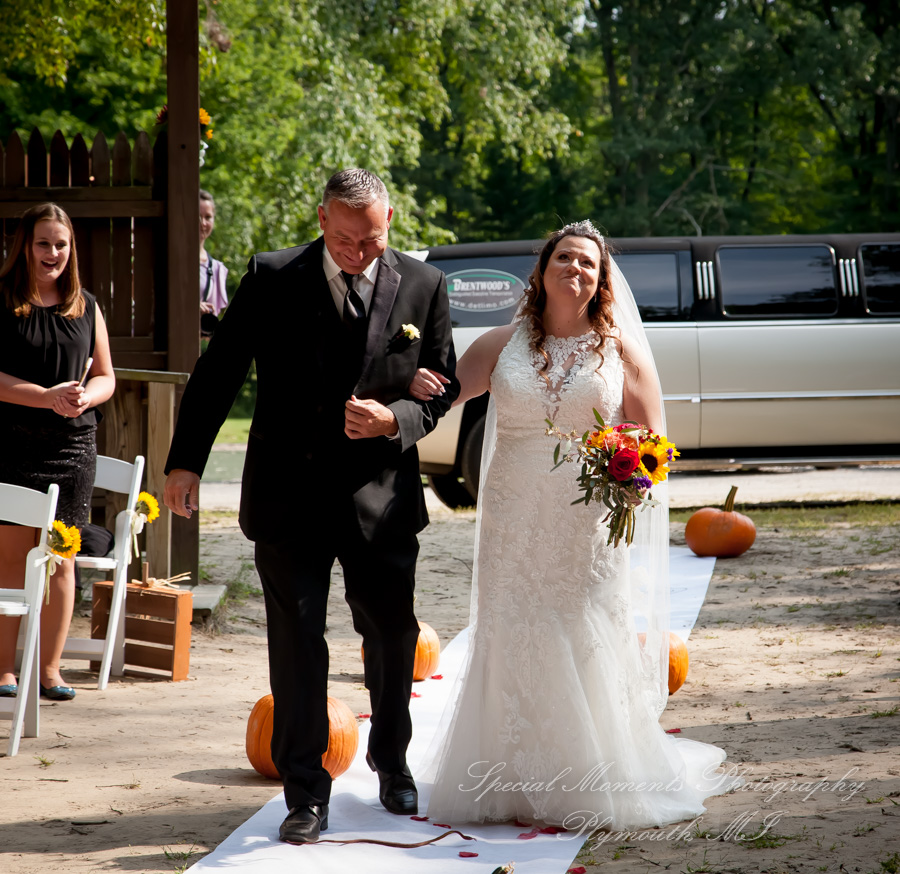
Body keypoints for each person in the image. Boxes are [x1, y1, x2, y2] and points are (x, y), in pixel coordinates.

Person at [163, 169, 459, 843]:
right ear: (323, 218)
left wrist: (394, 419)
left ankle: (392, 761)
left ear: (390, 223)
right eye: (349, 239)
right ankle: (306, 790)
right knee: (296, 644)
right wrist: (185, 463)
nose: (361, 253)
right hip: (287, 496)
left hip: (380, 499)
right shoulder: (271, 277)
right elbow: (221, 371)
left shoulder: (423, 284)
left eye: (375, 241)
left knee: (392, 636)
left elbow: (441, 387)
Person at [411, 221, 738, 829]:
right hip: (511, 514)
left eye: (589, 263)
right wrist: (403, 390)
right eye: (564, 257)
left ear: (602, 280)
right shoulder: (500, 344)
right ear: (542, 270)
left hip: (584, 520)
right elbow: (437, 399)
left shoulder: (621, 354)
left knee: (578, 625)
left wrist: (629, 471)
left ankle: (587, 777)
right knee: (511, 625)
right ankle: (506, 777)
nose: (576, 269)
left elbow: (655, 447)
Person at [0, 203, 116, 701]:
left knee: (61, 561)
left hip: (73, 448)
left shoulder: (86, 305)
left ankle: (49, 671)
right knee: (10, 559)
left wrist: (87, 395)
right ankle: (4, 670)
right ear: (25, 245)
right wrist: (45, 397)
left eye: (61, 244)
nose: (53, 253)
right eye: (44, 242)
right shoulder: (2, 301)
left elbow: (108, 376)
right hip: (12, 445)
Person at [199, 189, 228, 337]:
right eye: (197, 216)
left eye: (208, 217)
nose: (203, 223)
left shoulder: (217, 269)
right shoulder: (170, 259)